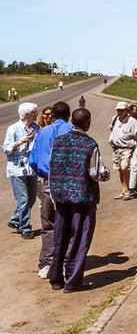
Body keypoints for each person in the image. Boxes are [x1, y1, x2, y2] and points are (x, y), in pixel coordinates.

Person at [47, 108, 110, 293]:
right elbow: (95, 173)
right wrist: (106, 174)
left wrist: (54, 195)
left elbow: (52, 169)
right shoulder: (90, 144)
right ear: (88, 122)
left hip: (61, 198)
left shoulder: (58, 141)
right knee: (79, 240)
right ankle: (72, 281)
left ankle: (56, 278)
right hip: (82, 199)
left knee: (60, 238)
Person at [28, 101, 73, 278]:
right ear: (68, 115)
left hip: (47, 181)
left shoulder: (42, 132)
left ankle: (47, 263)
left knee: (48, 224)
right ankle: (65, 262)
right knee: (68, 222)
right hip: (68, 182)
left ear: (52, 115)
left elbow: (33, 160)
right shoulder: (72, 131)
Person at [3, 102, 40, 238]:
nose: (37, 114)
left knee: (31, 199)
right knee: (23, 199)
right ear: (26, 115)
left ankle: (14, 219)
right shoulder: (13, 129)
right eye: (34, 112)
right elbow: (5, 148)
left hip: (31, 169)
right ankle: (25, 227)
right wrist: (19, 142)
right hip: (17, 170)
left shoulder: (36, 128)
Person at [107, 101, 137, 200]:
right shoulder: (115, 119)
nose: (119, 112)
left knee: (124, 168)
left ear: (126, 111)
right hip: (116, 148)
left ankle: (127, 190)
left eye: (122, 110)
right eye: (118, 110)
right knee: (120, 169)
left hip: (127, 148)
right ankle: (124, 190)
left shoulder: (132, 121)